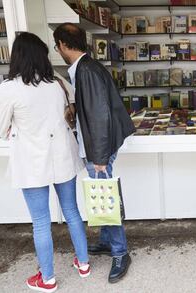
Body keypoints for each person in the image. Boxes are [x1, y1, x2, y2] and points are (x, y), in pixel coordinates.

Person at [0, 32, 89, 293]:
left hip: (32, 161)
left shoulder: (9, 88)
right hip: (62, 156)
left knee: (40, 221)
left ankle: (47, 278)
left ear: (18, 56)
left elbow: (2, 130)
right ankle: (83, 263)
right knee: (72, 211)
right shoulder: (57, 83)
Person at [53, 23, 136, 283]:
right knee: (99, 194)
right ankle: (107, 241)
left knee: (104, 198)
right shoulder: (88, 66)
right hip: (99, 143)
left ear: (64, 45)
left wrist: (99, 157)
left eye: (57, 46)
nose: (57, 50)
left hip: (98, 147)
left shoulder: (86, 70)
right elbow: (94, 107)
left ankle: (121, 253)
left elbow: (100, 114)